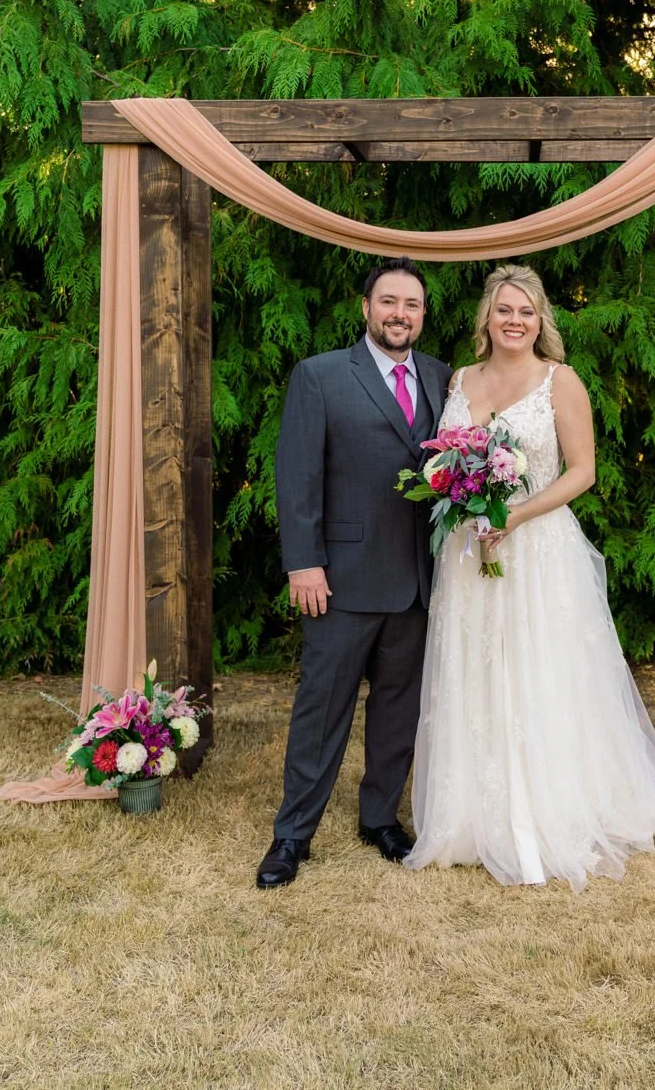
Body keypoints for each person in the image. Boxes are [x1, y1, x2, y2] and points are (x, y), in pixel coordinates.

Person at [405, 263, 655, 890]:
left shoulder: (559, 381)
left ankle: (552, 810)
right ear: (485, 318)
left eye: (527, 311)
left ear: (542, 320)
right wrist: (461, 498)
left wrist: (515, 513)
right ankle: (470, 816)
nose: (515, 321)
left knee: (539, 672)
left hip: (536, 549)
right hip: (468, 553)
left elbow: (582, 471)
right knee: (477, 669)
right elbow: (442, 461)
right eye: (504, 310)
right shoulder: (459, 379)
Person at [257, 257, 452, 888]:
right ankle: (292, 834)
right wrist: (303, 563)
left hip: (418, 581)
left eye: (412, 305)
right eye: (389, 301)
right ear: (365, 308)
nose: (400, 314)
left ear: (423, 314)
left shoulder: (444, 379)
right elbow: (298, 476)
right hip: (339, 578)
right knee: (322, 708)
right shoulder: (319, 376)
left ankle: (380, 819)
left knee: (398, 710)